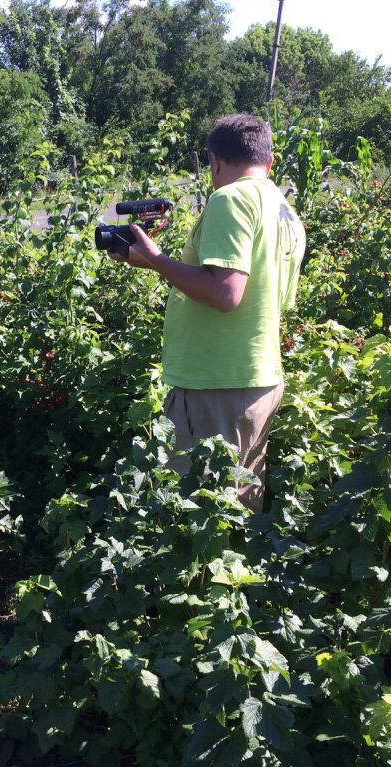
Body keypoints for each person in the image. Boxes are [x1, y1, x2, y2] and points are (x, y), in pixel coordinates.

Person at [110, 113, 306, 512]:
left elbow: (225, 293)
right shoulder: (284, 211)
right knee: (240, 511)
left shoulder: (231, 199)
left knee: (193, 514)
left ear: (214, 161)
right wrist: (156, 264)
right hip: (257, 380)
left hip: (216, 386)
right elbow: (270, 297)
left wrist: (157, 258)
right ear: (269, 162)